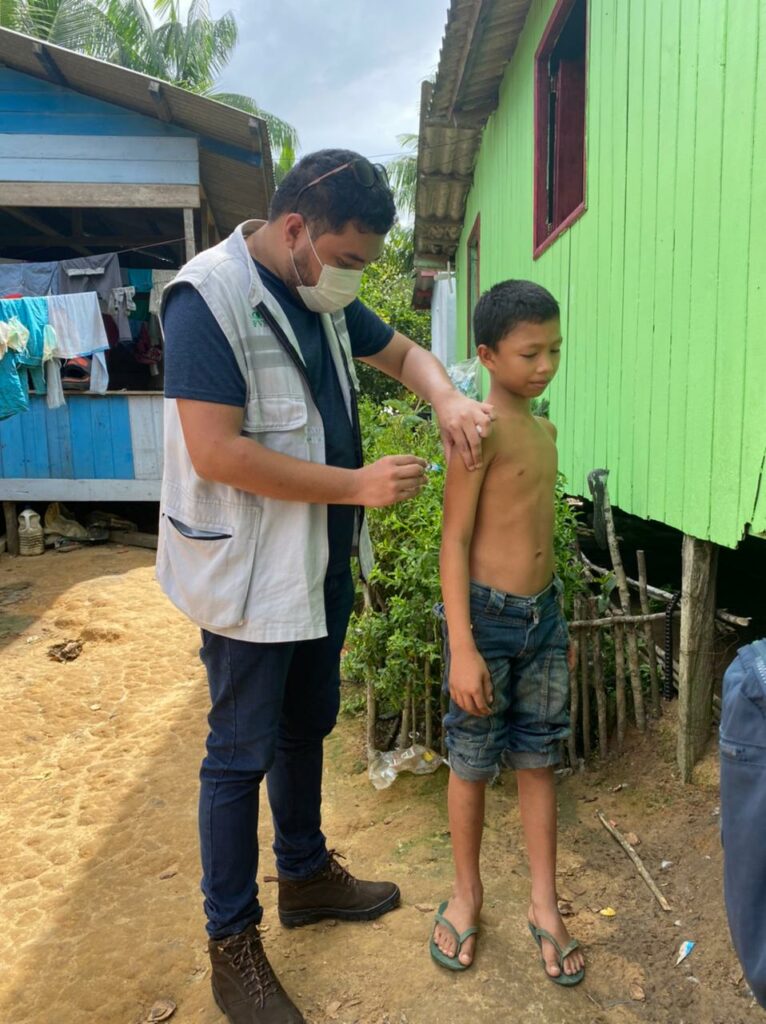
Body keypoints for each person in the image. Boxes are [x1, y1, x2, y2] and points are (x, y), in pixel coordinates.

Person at [157, 149, 495, 1024]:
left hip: (318, 563)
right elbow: (214, 451)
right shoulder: (208, 298)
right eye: (347, 258)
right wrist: (357, 485)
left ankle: (304, 874)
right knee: (238, 754)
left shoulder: (321, 294)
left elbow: (406, 354)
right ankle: (232, 943)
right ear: (297, 229)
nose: (353, 278)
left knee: (306, 722)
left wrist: (447, 399)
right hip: (246, 572)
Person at [430, 279, 585, 986]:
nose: (545, 364)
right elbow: (454, 540)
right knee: (470, 761)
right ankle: (466, 895)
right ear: (489, 356)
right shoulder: (478, 433)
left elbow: (541, 535)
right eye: (530, 353)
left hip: (542, 618)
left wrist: (556, 622)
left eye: (555, 349)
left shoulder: (545, 432)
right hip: (485, 623)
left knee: (539, 757)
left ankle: (544, 903)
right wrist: (462, 647)